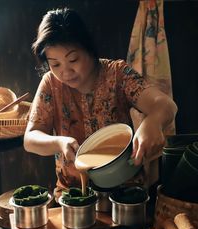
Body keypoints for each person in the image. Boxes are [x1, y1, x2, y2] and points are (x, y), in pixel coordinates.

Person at [24, 7, 177, 200]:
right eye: (55, 64)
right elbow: (30, 139)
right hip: (71, 196)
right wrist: (59, 142)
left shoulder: (118, 74)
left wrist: (152, 122)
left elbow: (166, 105)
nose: (65, 72)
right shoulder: (51, 83)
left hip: (126, 193)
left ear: (89, 48)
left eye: (73, 59)